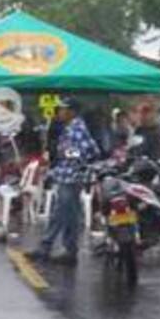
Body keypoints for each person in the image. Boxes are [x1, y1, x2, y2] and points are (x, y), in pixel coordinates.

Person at [29, 99, 100, 266]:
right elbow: (91, 150)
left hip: (71, 177)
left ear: (71, 111)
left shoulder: (76, 129)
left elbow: (84, 153)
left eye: (62, 109)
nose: (59, 112)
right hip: (67, 176)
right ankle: (67, 251)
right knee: (68, 215)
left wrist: (70, 158)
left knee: (61, 213)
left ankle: (48, 248)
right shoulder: (72, 128)